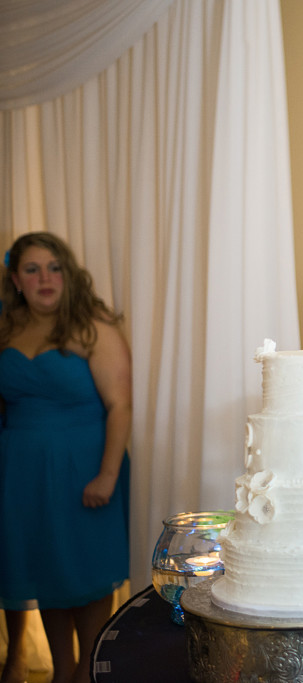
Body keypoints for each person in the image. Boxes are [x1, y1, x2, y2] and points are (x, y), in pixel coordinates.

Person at [0, 232, 131, 683]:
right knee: (47, 570)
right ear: (16, 280)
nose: (45, 278)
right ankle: (62, 670)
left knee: (86, 570)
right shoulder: (7, 328)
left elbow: (120, 405)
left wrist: (107, 476)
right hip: (23, 473)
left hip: (85, 468)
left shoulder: (92, 326)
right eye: (32, 269)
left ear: (68, 273)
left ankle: (88, 670)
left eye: (54, 268)